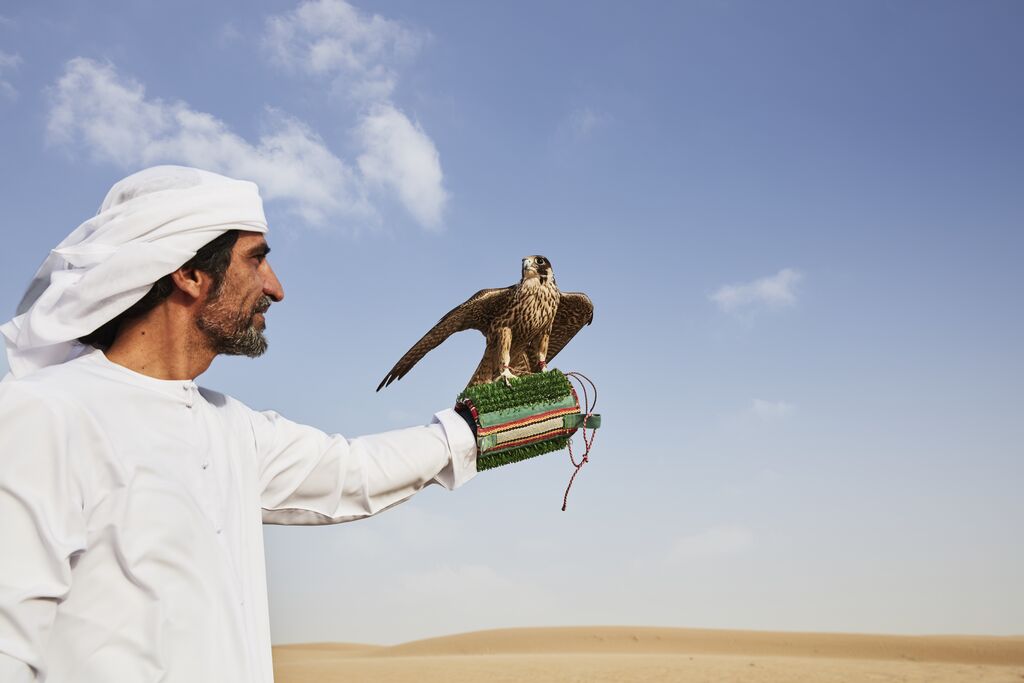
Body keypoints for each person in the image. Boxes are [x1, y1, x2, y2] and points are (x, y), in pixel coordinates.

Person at [0, 166, 479, 682]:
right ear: (188, 274)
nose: (275, 289)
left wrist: (479, 428)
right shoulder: (44, 415)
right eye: (257, 259)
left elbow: (353, 471)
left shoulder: (231, 427)